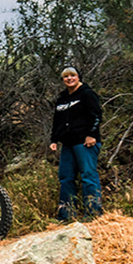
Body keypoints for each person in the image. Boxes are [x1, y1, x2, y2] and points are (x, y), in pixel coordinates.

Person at [49, 66, 103, 221]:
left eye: (72, 75)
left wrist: (91, 135)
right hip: (68, 144)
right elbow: (57, 121)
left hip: (85, 143)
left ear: (79, 77)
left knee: (88, 175)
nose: (69, 79)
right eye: (66, 76)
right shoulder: (62, 98)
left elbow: (96, 115)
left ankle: (93, 214)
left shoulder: (87, 94)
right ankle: (66, 215)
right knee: (65, 177)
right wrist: (54, 140)